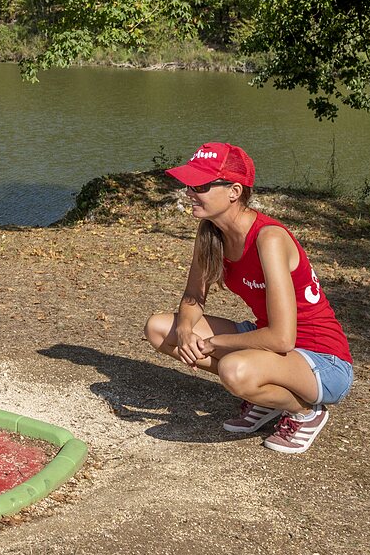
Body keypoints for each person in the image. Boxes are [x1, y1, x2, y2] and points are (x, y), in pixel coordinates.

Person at [144, 142, 354, 454]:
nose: (188, 192)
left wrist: (214, 344)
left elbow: (282, 339)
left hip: (323, 360)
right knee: (161, 329)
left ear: (234, 191)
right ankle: (263, 397)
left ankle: (304, 412)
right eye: (188, 183)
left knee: (234, 369)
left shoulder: (268, 239)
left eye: (199, 185)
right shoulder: (211, 233)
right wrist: (187, 330)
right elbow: (192, 296)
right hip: (272, 347)